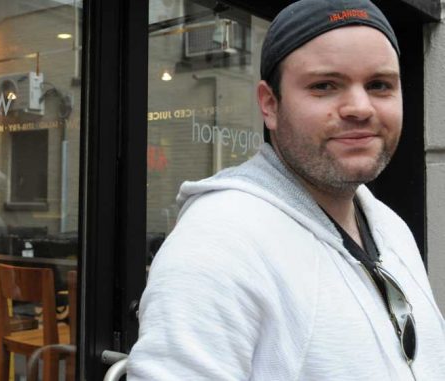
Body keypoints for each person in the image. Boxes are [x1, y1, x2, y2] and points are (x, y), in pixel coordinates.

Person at [128, 1, 445, 380]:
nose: (360, 108)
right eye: (324, 86)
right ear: (270, 105)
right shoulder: (219, 242)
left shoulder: (390, 227)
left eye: (379, 85)